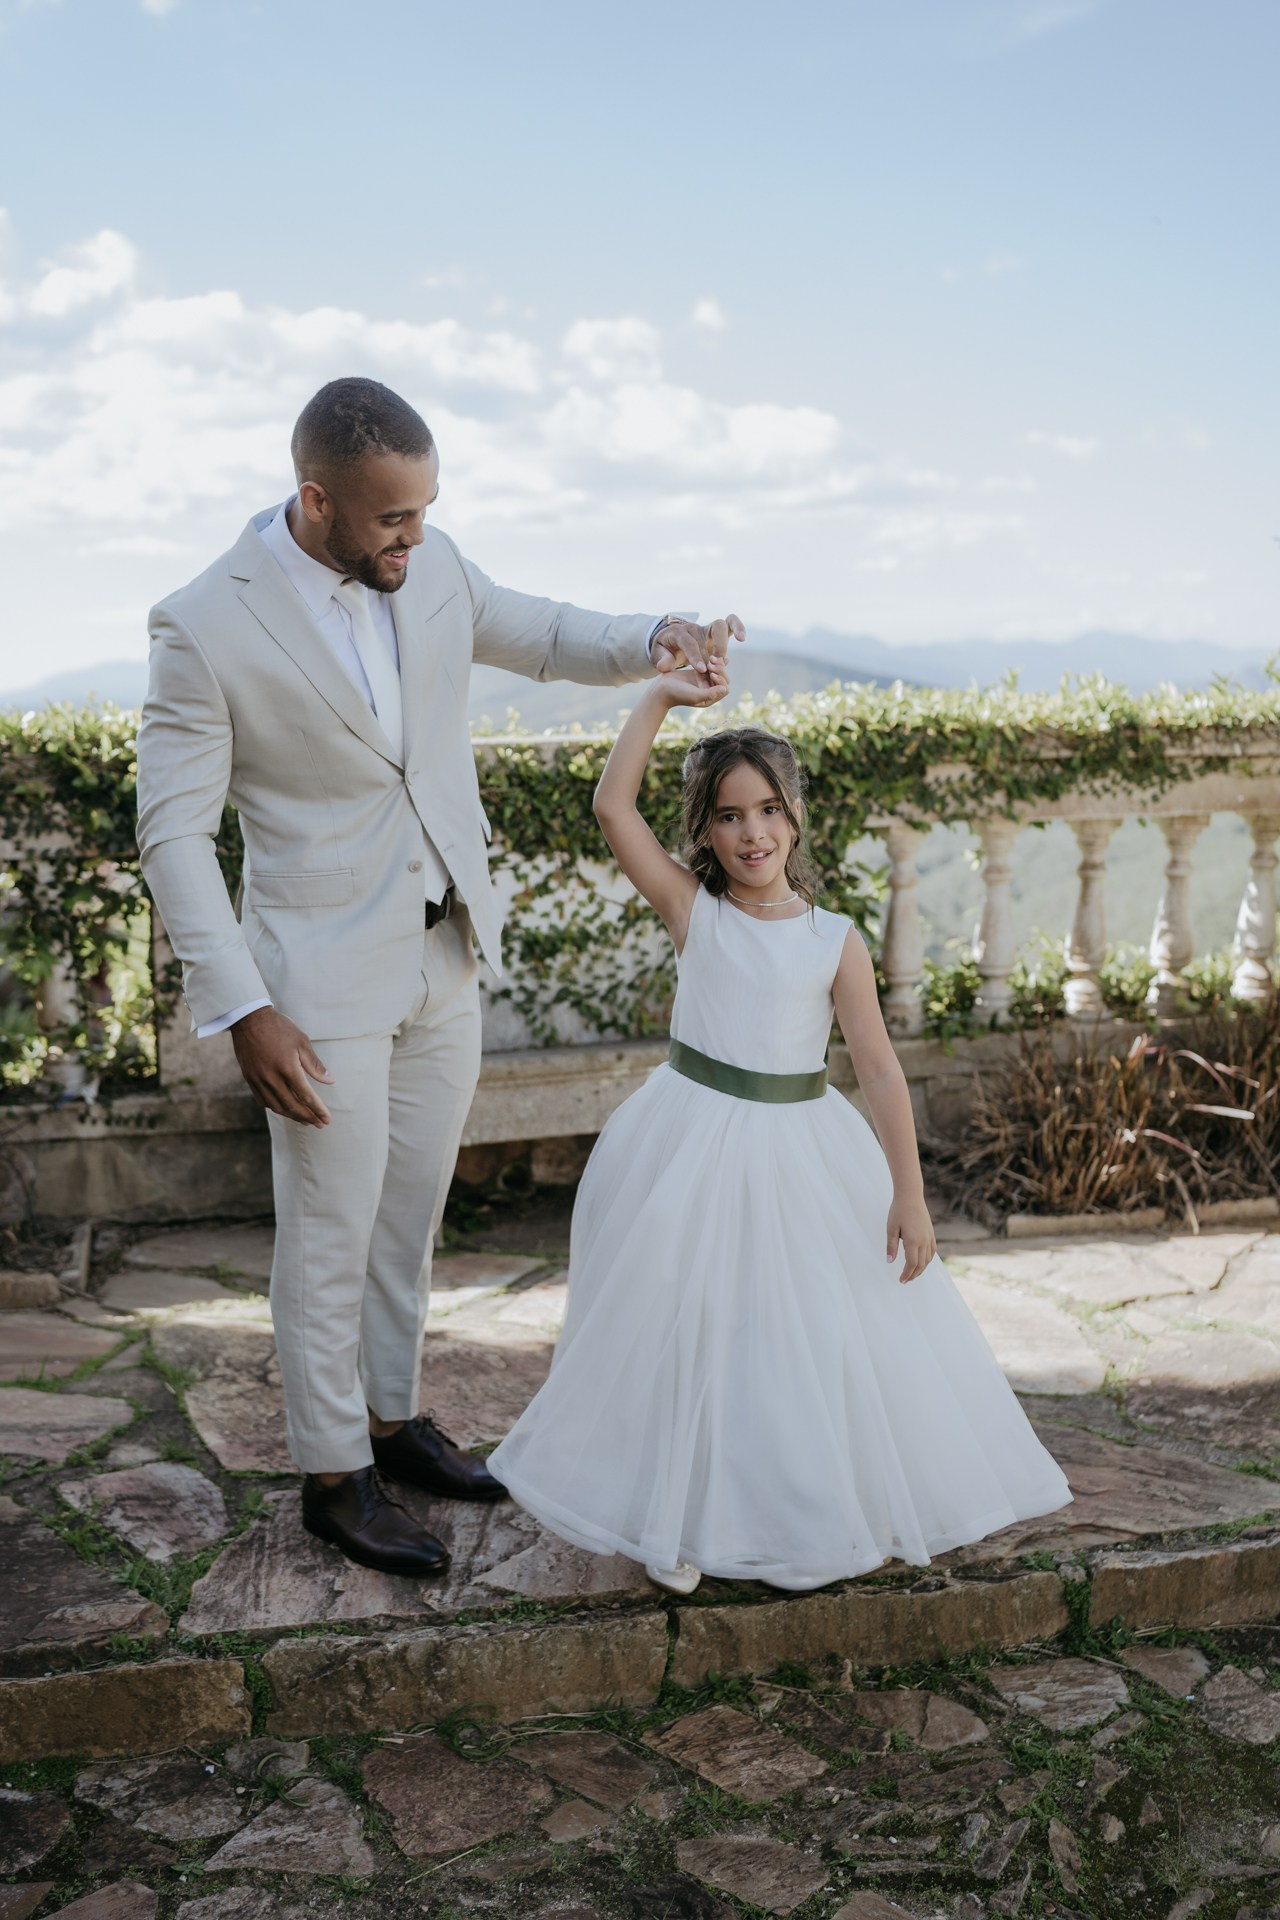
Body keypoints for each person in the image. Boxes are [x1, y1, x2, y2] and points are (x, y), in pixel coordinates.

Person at [135, 376, 743, 1577]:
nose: (415, 537)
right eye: (390, 522)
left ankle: (392, 1421)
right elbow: (171, 836)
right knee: (328, 1229)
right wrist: (244, 1006)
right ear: (316, 500)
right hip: (312, 987)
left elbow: (543, 631)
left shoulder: (429, 558)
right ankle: (330, 1475)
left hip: (442, 954)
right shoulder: (203, 623)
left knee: (408, 1217)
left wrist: (651, 639)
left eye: (424, 513)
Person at [488, 646, 1072, 1592]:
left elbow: (878, 1072)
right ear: (706, 831)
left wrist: (909, 1197)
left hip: (801, 1149)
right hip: (686, 1138)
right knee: (685, 1321)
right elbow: (609, 807)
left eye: (767, 809)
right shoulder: (694, 912)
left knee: (789, 1341)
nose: (750, 832)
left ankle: (792, 1507)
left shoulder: (831, 941)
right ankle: (666, 1516)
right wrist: (657, 698)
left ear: (795, 816)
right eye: (728, 815)